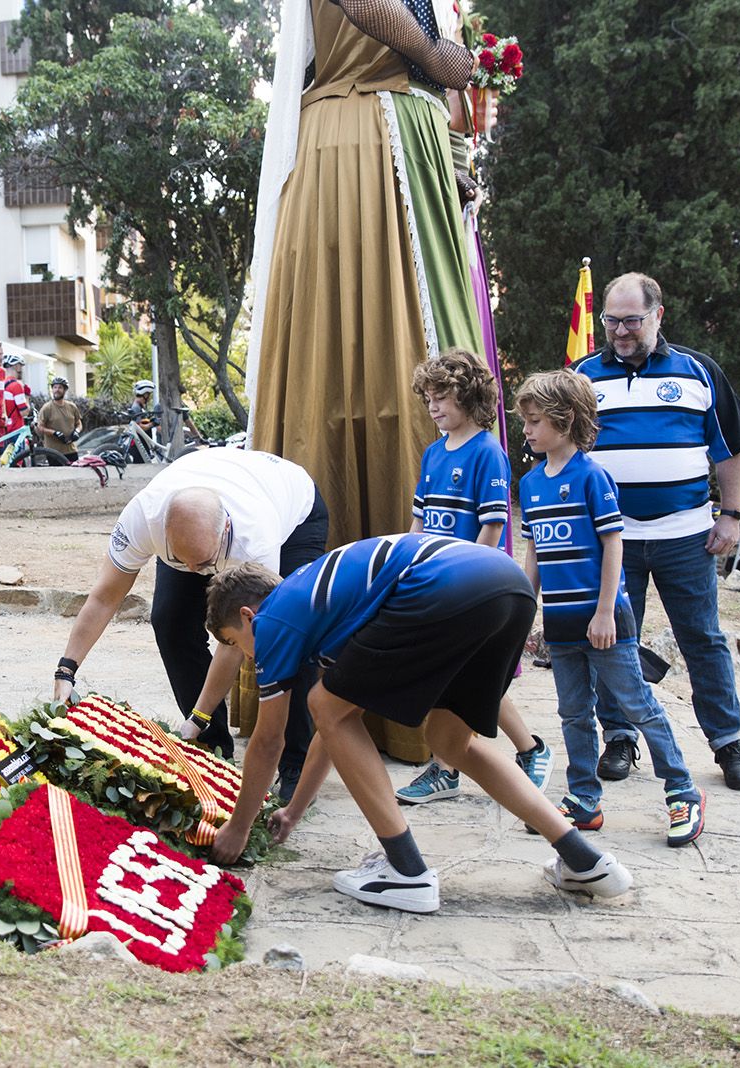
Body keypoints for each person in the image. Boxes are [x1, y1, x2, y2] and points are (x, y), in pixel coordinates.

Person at [203, 539, 634, 912]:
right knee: (450, 743)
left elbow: (268, 741)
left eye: (234, 642)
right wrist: (294, 810)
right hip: (509, 587)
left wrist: (239, 828)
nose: (245, 656)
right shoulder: (321, 607)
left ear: (246, 615)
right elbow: (332, 727)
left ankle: (405, 871)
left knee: (327, 706)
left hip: (442, 585)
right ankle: (583, 859)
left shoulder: (273, 618)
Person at [247, 0, 484, 548]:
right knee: (359, 342)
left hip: (409, 144)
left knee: (422, 339)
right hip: (365, 138)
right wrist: (429, 52)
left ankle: (446, 553)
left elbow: (449, 90)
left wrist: (454, 166)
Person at [574, 273, 740, 790]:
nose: (620, 332)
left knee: (702, 638)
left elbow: (731, 449)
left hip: (687, 536)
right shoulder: (582, 377)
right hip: (613, 540)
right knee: (611, 641)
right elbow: (563, 456)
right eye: (611, 321)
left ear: (659, 315)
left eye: (632, 321)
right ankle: (619, 737)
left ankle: (727, 743)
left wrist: (731, 515)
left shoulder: (699, 371)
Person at [51, 449, 328, 796]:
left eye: (203, 563)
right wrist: (66, 670)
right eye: (185, 562)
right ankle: (212, 749)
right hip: (202, 522)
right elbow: (105, 597)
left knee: (286, 634)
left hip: (292, 513)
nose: (198, 575)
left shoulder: (256, 540)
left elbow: (239, 642)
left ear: (225, 529)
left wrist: (198, 713)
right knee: (169, 620)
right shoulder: (143, 517)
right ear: (165, 531)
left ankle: (295, 764)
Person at [517, 371, 705, 845]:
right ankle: (583, 799)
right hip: (560, 625)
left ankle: (683, 791)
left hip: (605, 621)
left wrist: (605, 612)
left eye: (535, 421)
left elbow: (613, 545)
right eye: (526, 421)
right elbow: (535, 552)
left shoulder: (593, 476)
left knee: (638, 706)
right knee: (573, 713)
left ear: (566, 420)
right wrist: (522, 611)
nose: (527, 430)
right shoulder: (533, 483)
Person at [396, 348, 554, 804]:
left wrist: (468, 584)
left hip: (474, 589)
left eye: (442, 396)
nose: (433, 406)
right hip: (433, 585)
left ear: (468, 396)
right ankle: (450, 768)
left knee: (471, 678)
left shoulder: (488, 453)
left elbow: (492, 526)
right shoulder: (431, 454)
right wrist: (405, 569)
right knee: (453, 677)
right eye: (428, 398)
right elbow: (419, 522)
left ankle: (528, 749)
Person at [36, 376, 82, 458]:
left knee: (74, 471)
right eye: (55, 387)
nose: (57, 390)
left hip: (71, 450)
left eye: (60, 387)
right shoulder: (47, 408)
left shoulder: (72, 406)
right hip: (53, 452)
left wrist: (77, 431)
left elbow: (79, 423)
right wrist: (54, 433)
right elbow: (40, 427)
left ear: (65, 390)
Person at [1, 354, 32, 434]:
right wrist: (27, 396)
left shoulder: (2, 384)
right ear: (16, 366)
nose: (22, 370)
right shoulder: (16, 385)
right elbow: (24, 412)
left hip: (4, 430)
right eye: (21, 366)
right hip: (15, 430)